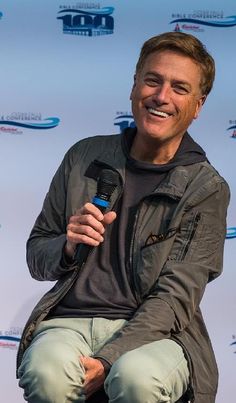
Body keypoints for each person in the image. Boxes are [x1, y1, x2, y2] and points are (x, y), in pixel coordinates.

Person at [17, 31, 230, 403]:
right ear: (134, 86)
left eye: (179, 88)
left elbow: (175, 300)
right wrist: (67, 247)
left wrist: (108, 358)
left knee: (136, 378)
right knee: (45, 371)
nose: (161, 97)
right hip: (70, 323)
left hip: (159, 334)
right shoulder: (84, 156)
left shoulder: (205, 187)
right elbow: (37, 254)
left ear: (198, 106)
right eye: (153, 80)